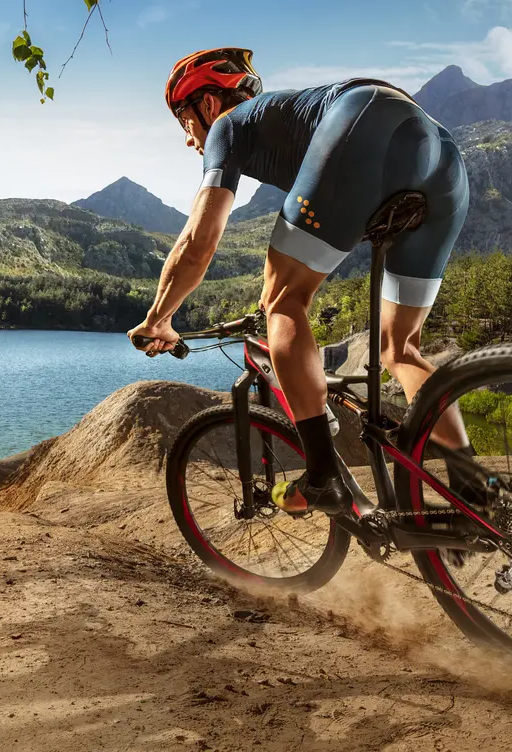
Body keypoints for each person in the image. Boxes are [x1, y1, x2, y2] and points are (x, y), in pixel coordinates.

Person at [128, 48, 475, 517]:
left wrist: (158, 318)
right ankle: (476, 491)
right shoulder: (280, 119)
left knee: (283, 301)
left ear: (207, 104)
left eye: (185, 122)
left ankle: (322, 476)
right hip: (444, 159)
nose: (189, 140)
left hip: (365, 120)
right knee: (400, 350)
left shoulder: (226, 127)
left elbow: (199, 239)